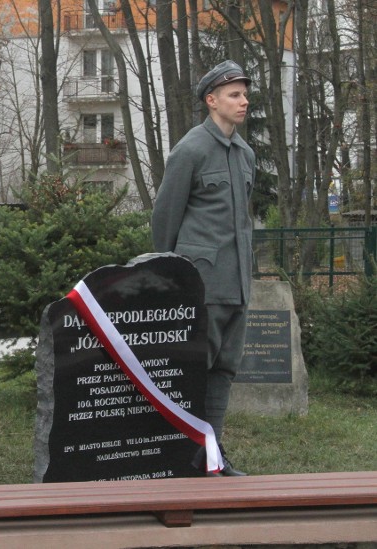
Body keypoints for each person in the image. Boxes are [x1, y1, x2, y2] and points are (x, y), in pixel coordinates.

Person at [151, 60, 255, 477]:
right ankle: (179, 454)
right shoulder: (191, 149)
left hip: (237, 284)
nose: (243, 101)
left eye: (245, 94)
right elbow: (165, 218)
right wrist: (171, 277)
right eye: (234, 94)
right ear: (212, 101)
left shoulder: (244, 153)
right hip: (201, 285)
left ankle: (212, 456)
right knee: (194, 371)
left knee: (224, 372)